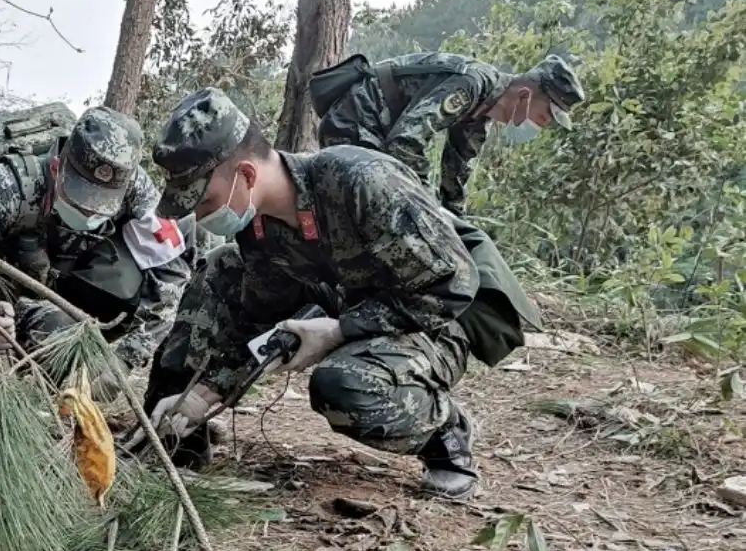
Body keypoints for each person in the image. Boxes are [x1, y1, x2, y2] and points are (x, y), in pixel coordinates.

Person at [125, 87, 543, 501]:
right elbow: (259, 320)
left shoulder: (362, 181)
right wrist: (206, 393)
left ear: (247, 175)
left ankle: (445, 432)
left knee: (342, 385)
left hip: (436, 319)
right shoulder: (258, 228)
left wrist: (340, 330)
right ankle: (172, 428)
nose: (199, 214)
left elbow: (452, 285)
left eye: (204, 200)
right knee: (222, 267)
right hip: (349, 305)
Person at [0, 106, 194, 398]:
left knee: (181, 250)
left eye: (100, 207)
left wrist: (123, 361)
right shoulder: (4, 189)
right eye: (79, 201)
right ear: (55, 168)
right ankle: (25, 392)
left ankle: (78, 364)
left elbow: (171, 279)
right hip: (12, 295)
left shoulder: (137, 190)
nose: (88, 213)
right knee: (58, 329)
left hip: (77, 285)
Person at [310, 52, 585, 215]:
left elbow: (455, 179)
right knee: (374, 209)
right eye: (544, 115)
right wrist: (427, 205)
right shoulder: (472, 84)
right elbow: (404, 143)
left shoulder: (480, 116)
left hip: (378, 132)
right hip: (355, 121)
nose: (542, 125)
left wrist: (457, 229)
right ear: (525, 95)